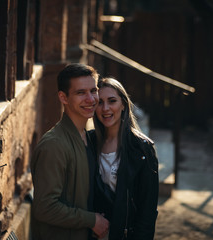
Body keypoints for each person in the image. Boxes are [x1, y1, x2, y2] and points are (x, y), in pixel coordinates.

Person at [31, 63, 109, 240]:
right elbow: (45, 208)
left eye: (93, 90)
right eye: (81, 93)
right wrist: (92, 220)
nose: (90, 99)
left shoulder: (88, 138)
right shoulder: (54, 145)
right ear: (63, 98)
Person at [92, 77, 159, 240]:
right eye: (100, 102)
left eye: (112, 101)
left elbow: (148, 210)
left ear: (123, 104)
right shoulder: (89, 143)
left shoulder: (142, 148)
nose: (105, 108)